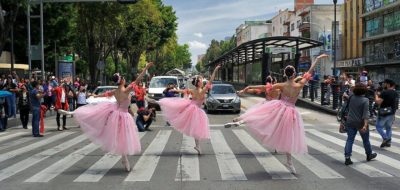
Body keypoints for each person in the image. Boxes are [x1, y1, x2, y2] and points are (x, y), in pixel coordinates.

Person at [230, 54, 328, 174]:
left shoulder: (282, 85)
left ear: (286, 75)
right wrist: (317, 59)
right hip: (291, 111)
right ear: (294, 74)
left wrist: (249, 87)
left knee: (264, 117)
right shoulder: (299, 84)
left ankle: (243, 119)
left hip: (280, 108)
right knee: (288, 136)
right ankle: (289, 162)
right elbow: (309, 71)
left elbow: (265, 87)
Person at [69, 62, 153, 172]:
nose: (124, 78)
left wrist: (95, 95)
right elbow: (137, 80)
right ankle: (125, 158)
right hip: (123, 115)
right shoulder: (125, 90)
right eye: (122, 77)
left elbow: (106, 94)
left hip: (118, 114)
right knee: (124, 137)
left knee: (122, 137)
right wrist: (146, 68)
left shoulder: (116, 91)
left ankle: (124, 158)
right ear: (121, 81)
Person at [158, 65, 221, 155]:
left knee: (195, 128)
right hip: (196, 110)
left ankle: (198, 146)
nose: (202, 81)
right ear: (198, 83)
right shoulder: (202, 91)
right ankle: (198, 146)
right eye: (201, 80)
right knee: (197, 129)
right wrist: (215, 69)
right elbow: (211, 80)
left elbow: (183, 91)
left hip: (191, 108)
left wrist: (175, 91)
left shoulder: (193, 90)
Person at [344, 83, 377, 165]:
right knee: (365, 140)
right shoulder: (365, 100)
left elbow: (346, 105)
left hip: (350, 121)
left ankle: (347, 158)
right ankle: (369, 154)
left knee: (350, 139)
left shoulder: (351, 97)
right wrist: (365, 125)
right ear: (364, 91)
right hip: (361, 123)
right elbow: (366, 114)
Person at [375, 79, 399, 148]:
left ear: (388, 84)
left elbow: (378, 102)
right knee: (388, 128)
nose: (384, 85)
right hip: (392, 112)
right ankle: (388, 143)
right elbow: (395, 104)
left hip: (384, 112)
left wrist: (376, 95)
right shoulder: (395, 93)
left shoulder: (384, 92)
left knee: (378, 126)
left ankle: (386, 138)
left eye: (385, 83)